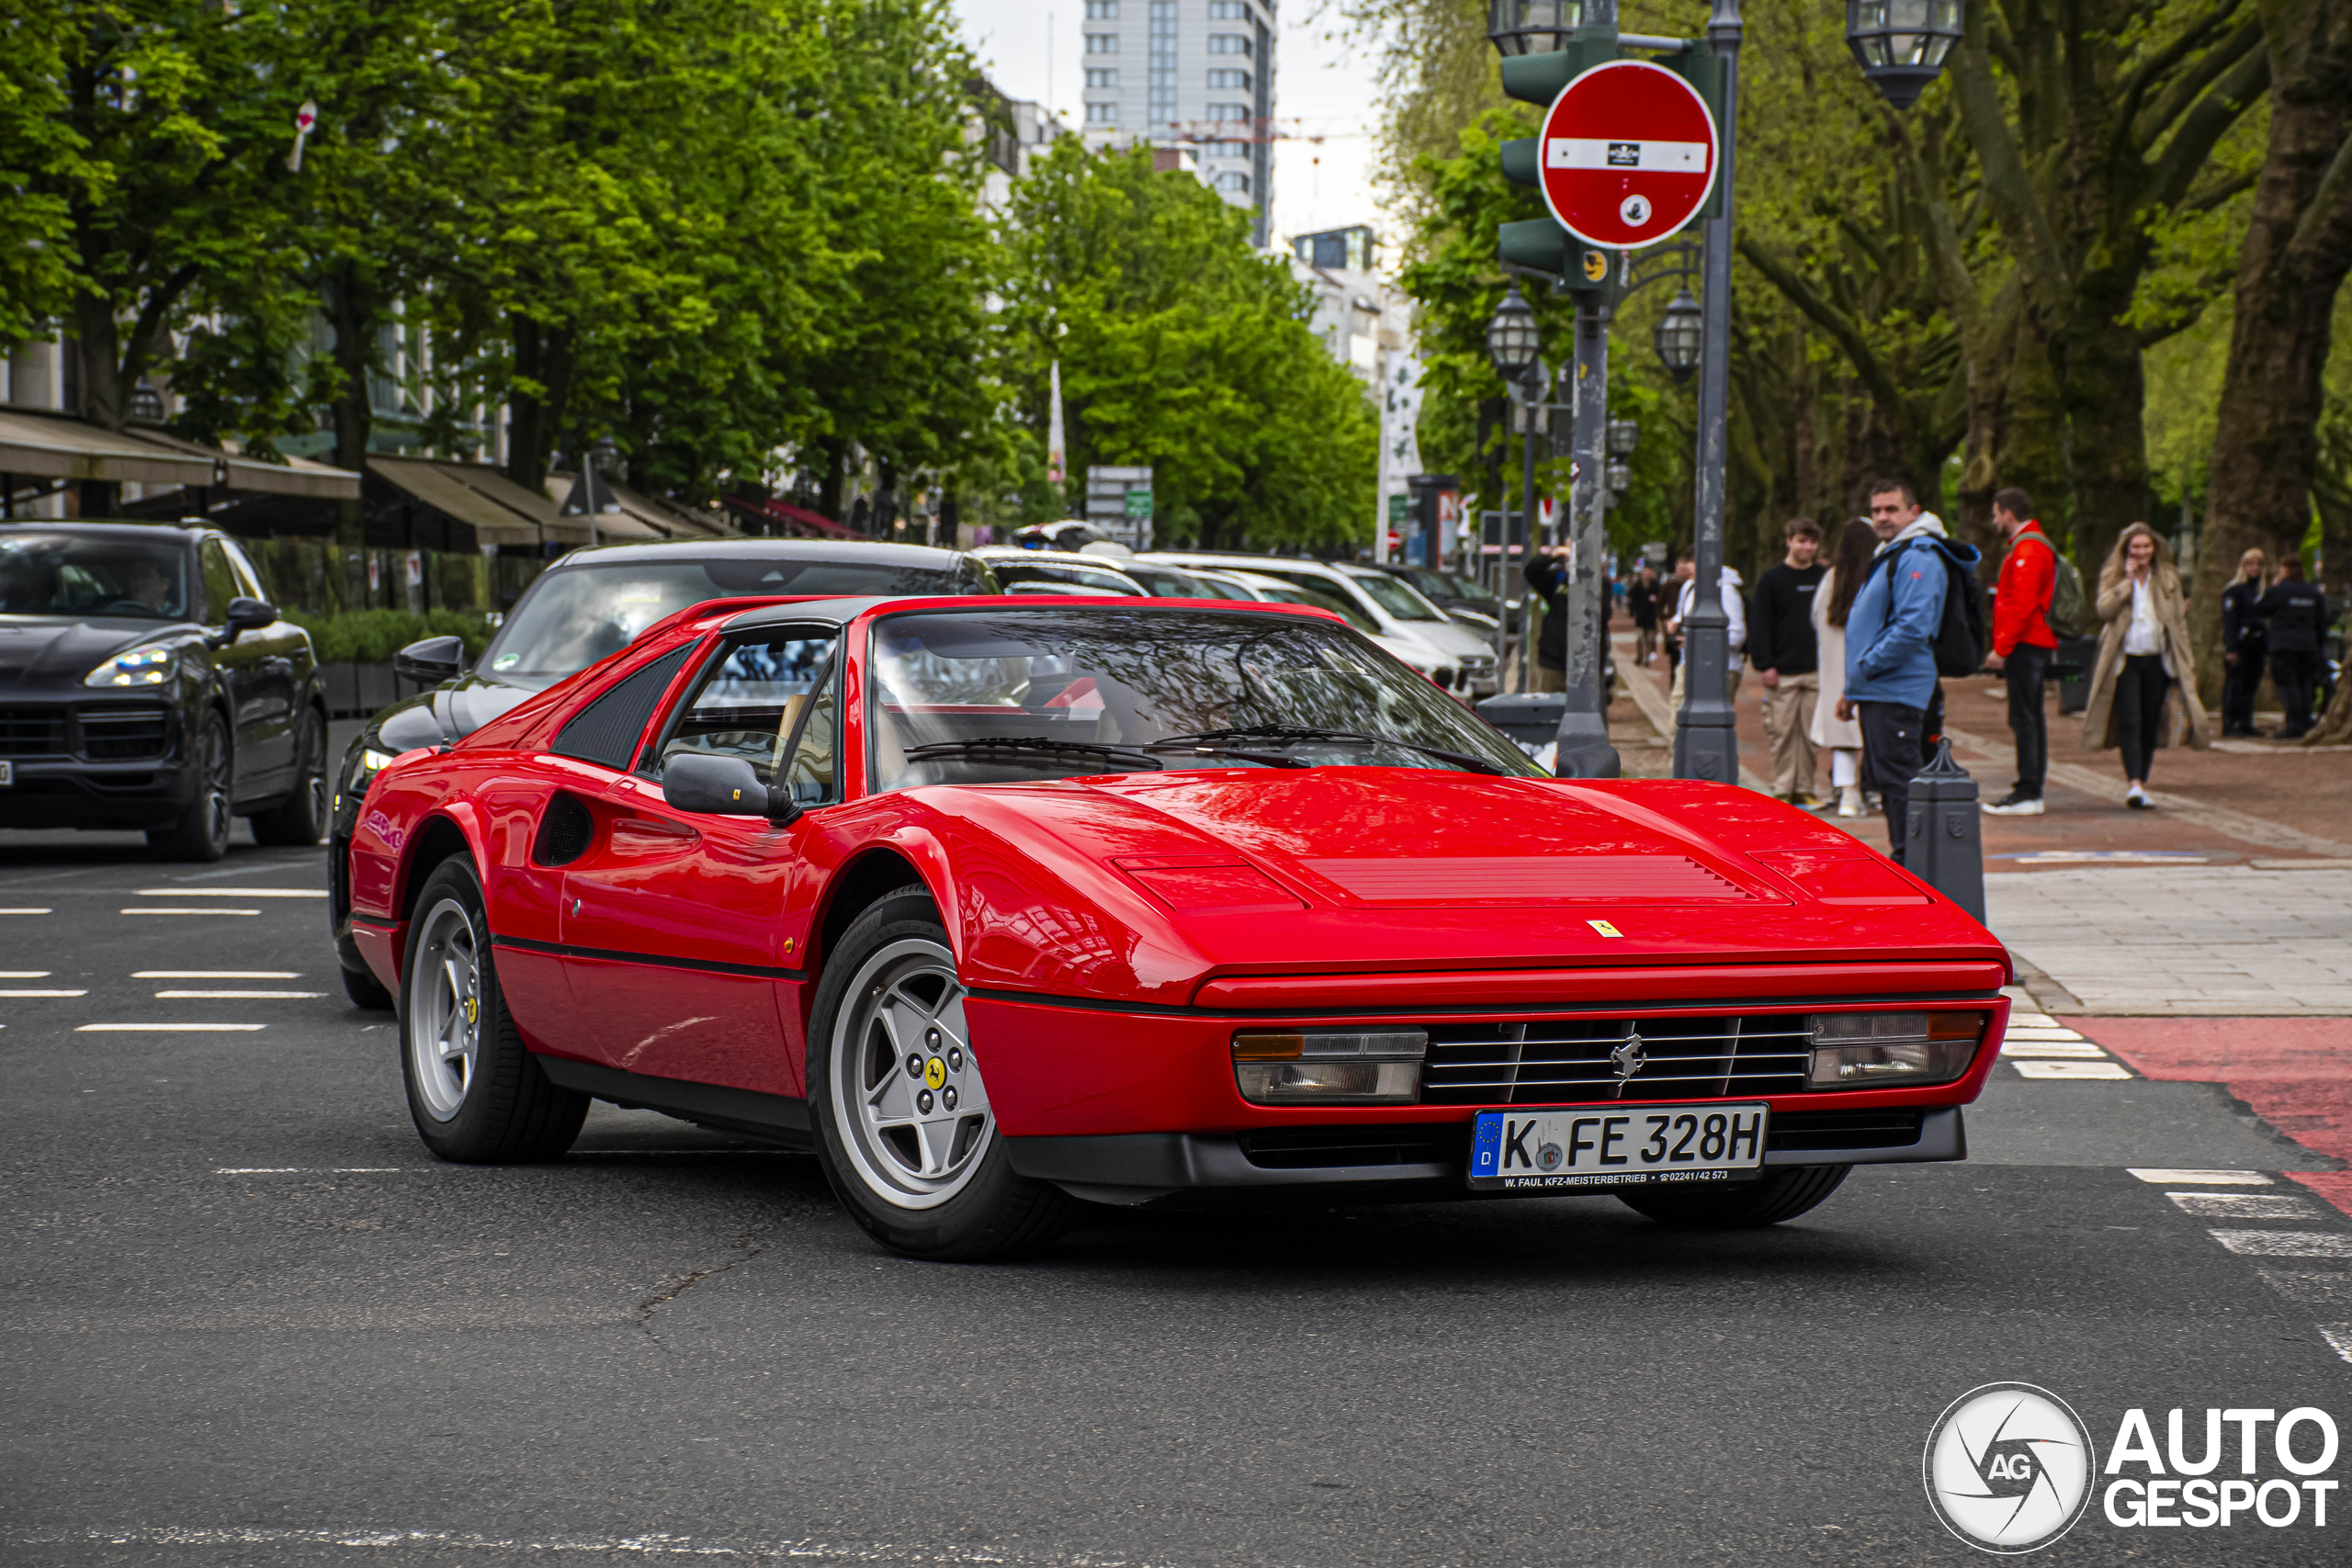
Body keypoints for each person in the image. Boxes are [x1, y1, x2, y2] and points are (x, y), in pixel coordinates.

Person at [1836, 478, 1980, 863]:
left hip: (1896, 688)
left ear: (1913, 513)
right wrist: (1855, 686)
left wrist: (1866, 667)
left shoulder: (1917, 555)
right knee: (1893, 780)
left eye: (1891, 509)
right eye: (1877, 510)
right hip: (1880, 687)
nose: (1882, 517)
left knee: (1901, 781)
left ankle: (1915, 863)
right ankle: (1911, 859)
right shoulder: (1895, 551)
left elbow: (1913, 627)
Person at [2081, 523, 2209, 806]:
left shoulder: (2167, 578)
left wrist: (2186, 662)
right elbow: (2104, 610)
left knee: (2150, 722)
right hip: (2125, 660)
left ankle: (2142, 778)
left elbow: (2178, 622)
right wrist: (2127, 583)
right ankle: (2134, 784)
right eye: (2135, 547)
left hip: (2156, 659)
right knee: (2131, 720)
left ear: (2155, 549)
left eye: (2146, 547)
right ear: (2126, 549)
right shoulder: (2114, 575)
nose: (2141, 552)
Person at [1981, 487, 2059, 815]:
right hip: (2030, 642)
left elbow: (2022, 603)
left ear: (2007, 513)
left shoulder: (2028, 547)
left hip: (2027, 644)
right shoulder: (2027, 545)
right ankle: (2030, 786)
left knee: (2025, 717)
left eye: (1996, 513)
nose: (1995, 520)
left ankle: (2029, 790)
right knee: (2029, 716)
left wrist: (2001, 647)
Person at [1748, 517, 1826, 807]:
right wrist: (1765, 663)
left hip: (1816, 669)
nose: (1807, 547)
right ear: (1789, 541)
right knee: (1782, 732)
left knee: (1810, 735)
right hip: (1782, 671)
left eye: (1812, 542)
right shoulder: (1772, 580)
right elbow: (1761, 625)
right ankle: (1782, 787)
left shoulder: (1823, 577)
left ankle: (1805, 787)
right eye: (1801, 541)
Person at [1811, 518, 1873, 818]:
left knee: (1842, 735)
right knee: (1872, 731)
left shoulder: (1831, 580)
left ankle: (1847, 792)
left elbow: (1815, 617)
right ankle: (1872, 790)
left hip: (1835, 667)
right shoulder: (1876, 577)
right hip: (1870, 667)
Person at [2257, 553, 2328, 739]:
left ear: (2286, 570)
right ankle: (2305, 721)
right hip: (2308, 645)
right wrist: (2319, 647)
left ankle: (2294, 724)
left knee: (2288, 685)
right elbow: (2322, 623)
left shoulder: (2279, 591)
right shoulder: (2314, 593)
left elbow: (2261, 609)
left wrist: (2273, 587)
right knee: (2305, 684)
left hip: (2284, 645)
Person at [1668, 557, 1746, 713]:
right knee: (1677, 721)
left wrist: (1699, 641)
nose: (1685, 567)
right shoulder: (1690, 587)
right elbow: (1681, 616)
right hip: (1688, 663)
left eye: (1690, 561)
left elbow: (1737, 636)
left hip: (1721, 667)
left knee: (1711, 722)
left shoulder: (1725, 591)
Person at [2218, 547, 2268, 736]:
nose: (2254, 568)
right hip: (2240, 643)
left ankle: (2245, 721)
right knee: (2235, 684)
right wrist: (2231, 647)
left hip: (2257, 644)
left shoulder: (2261, 591)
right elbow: (2230, 621)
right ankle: (2230, 723)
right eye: (2250, 564)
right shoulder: (2234, 590)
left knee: (2251, 684)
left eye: (2258, 564)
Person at [1522, 545, 1569, 694]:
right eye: (1568, 559)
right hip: (1554, 660)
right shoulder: (1558, 579)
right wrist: (1554, 554)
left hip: (1585, 664)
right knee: (1551, 707)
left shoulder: (1597, 582)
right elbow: (1531, 571)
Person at [1627, 564, 1661, 666]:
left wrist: (1656, 600)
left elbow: (1662, 599)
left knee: (1650, 639)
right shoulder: (1637, 585)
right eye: (1645, 573)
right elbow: (1631, 598)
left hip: (1651, 616)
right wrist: (1632, 612)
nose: (1646, 575)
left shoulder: (1656, 586)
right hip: (1641, 616)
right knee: (1641, 638)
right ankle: (1640, 656)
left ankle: (1647, 658)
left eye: (1648, 573)